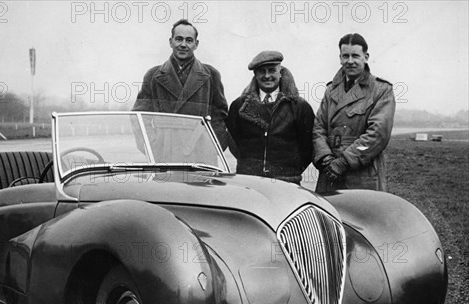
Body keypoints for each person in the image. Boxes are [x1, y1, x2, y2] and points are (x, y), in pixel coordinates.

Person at [133, 19, 231, 159]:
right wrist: (153, 147)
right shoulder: (153, 76)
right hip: (165, 154)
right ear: (170, 41)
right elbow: (140, 117)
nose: (183, 45)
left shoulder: (211, 75)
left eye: (189, 40)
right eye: (179, 39)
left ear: (196, 44)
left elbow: (220, 116)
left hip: (200, 154)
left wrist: (212, 146)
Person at [313, 33, 396, 193]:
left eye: (355, 56)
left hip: (362, 174)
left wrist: (344, 162)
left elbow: (377, 134)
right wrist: (326, 158)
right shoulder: (331, 91)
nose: (350, 61)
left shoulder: (381, 90)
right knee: (328, 216)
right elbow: (318, 129)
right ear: (340, 58)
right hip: (329, 173)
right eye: (345, 56)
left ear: (366, 57)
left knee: (362, 216)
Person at [227, 51, 315, 184]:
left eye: (272, 70)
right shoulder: (239, 106)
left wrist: (290, 170)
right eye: (262, 71)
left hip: (286, 182)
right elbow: (233, 141)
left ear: (280, 72)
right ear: (255, 75)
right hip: (249, 181)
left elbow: (308, 147)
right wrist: (249, 166)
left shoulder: (299, 106)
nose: (267, 76)